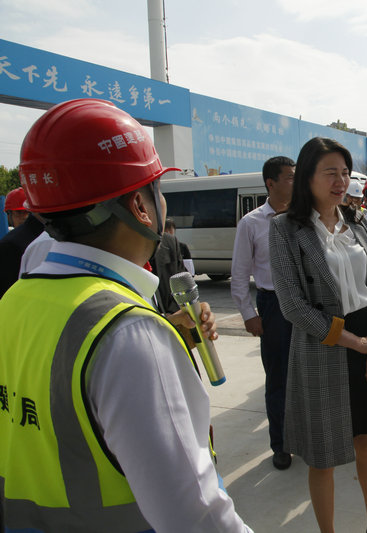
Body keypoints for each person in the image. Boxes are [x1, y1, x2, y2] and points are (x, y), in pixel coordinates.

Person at [0, 98, 250, 531]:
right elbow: (195, 516)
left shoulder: (15, 300)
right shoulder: (128, 332)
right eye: (159, 190)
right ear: (140, 206)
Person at [270, 137, 367, 533]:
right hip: (322, 348)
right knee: (322, 456)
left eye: (345, 173)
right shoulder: (285, 229)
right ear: (308, 177)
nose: (340, 180)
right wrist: (358, 342)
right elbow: (293, 306)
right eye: (330, 172)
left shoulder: (358, 221)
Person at [231, 156, 296, 471]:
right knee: (279, 380)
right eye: (289, 178)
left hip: (305, 304)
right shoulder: (252, 223)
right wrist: (249, 314)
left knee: (307, 376)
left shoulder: (305, 217)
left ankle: (305, 439)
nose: (294, 183)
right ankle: (281, 445)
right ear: (270, 183)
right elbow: (240, 275)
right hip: (273, 306)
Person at [0, 187, 45, 298]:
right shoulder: (53, 235)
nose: (23, 217)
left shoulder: (9, 244)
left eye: (26, 213)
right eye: (19, 213)